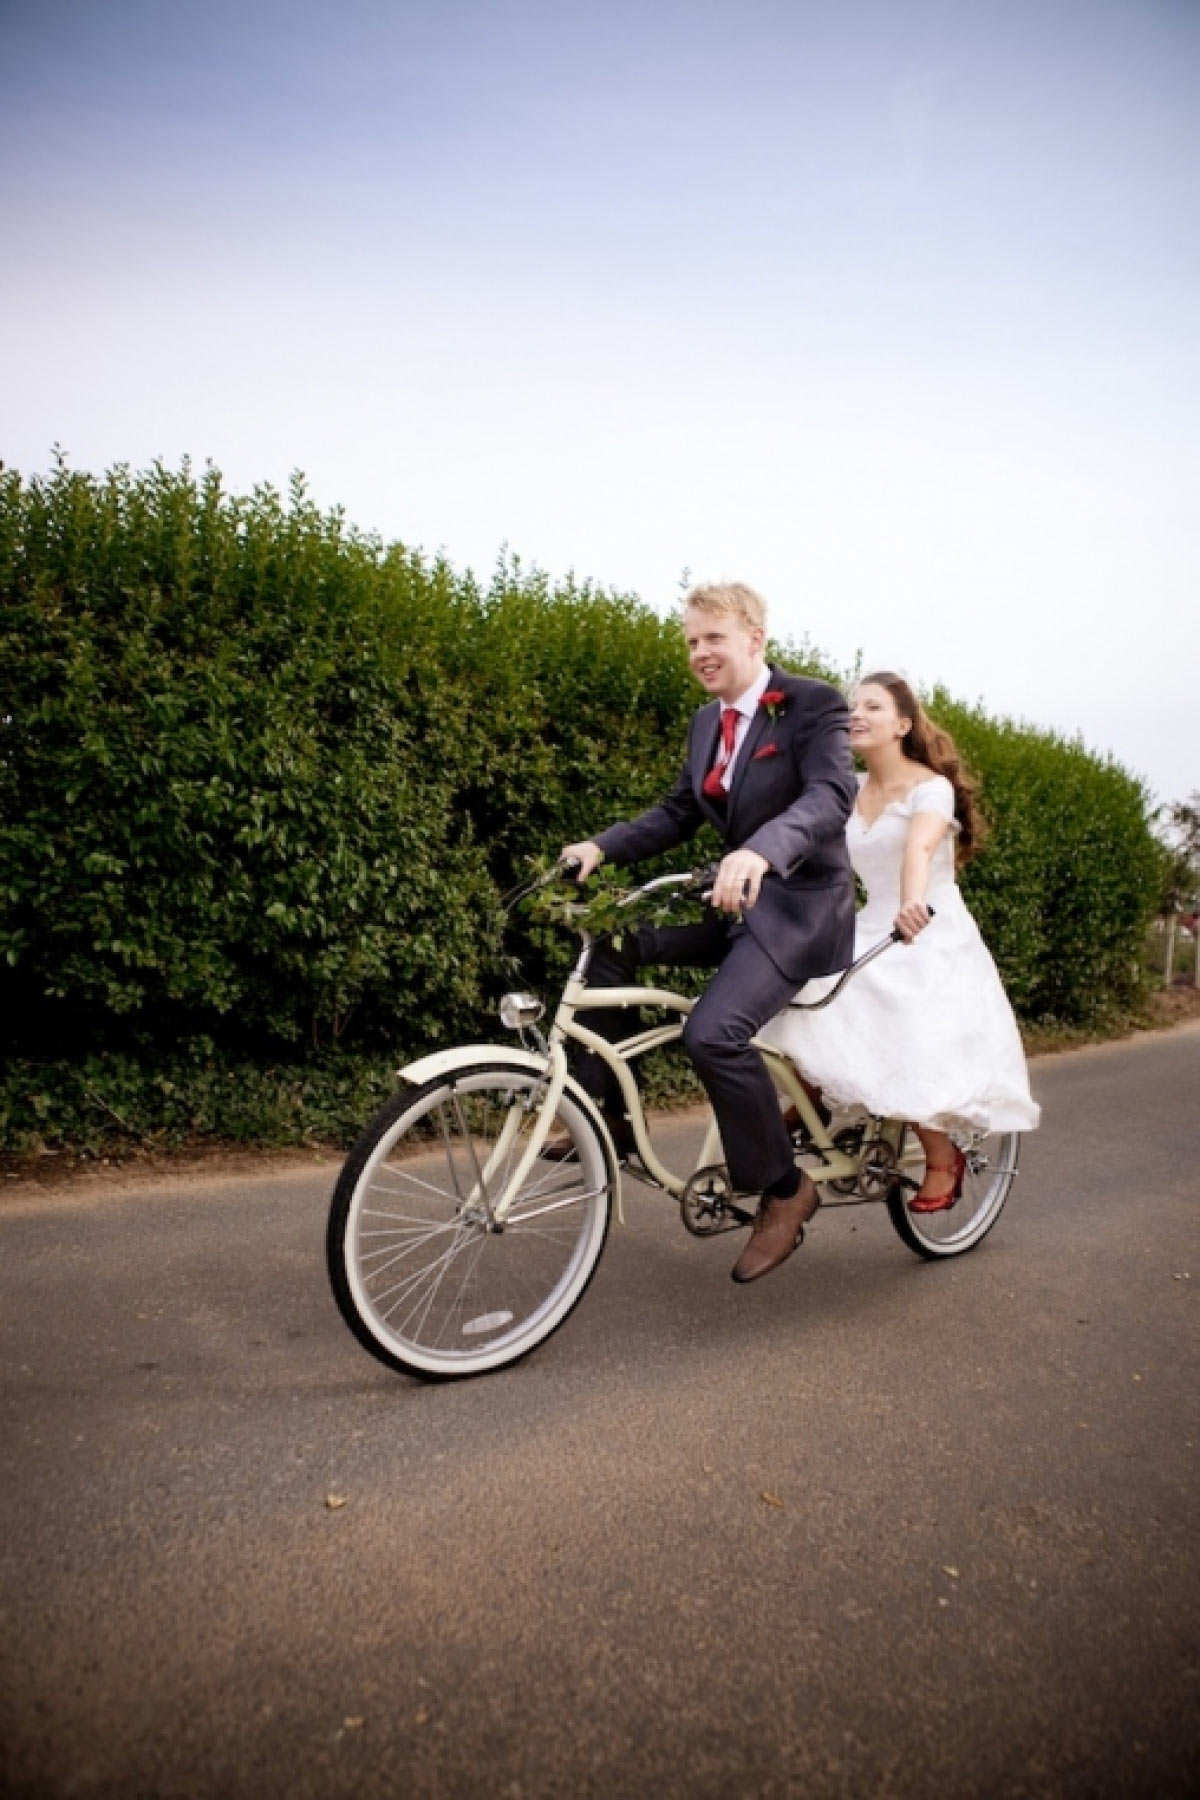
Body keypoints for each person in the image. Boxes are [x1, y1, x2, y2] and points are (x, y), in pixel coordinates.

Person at [560, 581, 857, 1283]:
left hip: (798, 913)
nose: (700, 652)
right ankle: (599, 1111)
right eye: (692, 640)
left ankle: (786, 1192)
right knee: (613, 946)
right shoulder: (706, 724)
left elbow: (830, 796)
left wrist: (761, 851)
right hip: (733, 911)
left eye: (714, 637)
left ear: (755, 638)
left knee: (713, 1034)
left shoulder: (811, 704)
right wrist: (602, 847)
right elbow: (675, 813)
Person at [759, 672, 1040, 1205]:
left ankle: (941, 1156)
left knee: (908, 1030)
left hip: (925, 925)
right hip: (868, 921)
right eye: (852, 706)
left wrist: (912, 902)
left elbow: (919, 848)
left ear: (903, 725)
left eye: (873, 706)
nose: (856, 714)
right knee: (799, 986)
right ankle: (812, 1098)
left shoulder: (930, 787)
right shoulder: (849, 789)